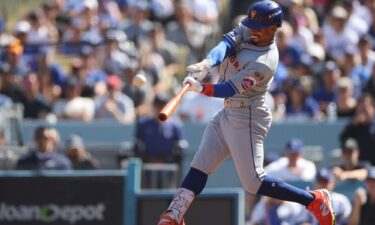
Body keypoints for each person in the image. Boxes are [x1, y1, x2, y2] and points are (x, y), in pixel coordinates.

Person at [157, 1, 335, 225]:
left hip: (248, 117)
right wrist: (207, 63)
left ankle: (313, 200)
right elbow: (225, 45)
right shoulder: (249, 28)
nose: (251, 30)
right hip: (228, 111)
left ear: (273, 29)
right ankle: (174, 214)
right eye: (251, 25)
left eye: (258, 27)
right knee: (201, 164)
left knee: (253, 182)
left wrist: (201, 88)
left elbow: (229, 88)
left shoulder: (265, 62)